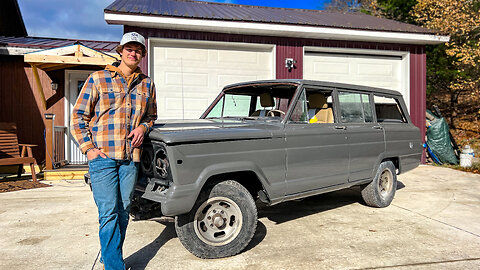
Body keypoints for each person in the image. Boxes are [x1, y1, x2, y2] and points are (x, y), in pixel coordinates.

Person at [71, 32, 157, 270]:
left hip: (131, 158)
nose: (133, 53)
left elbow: (152, 116)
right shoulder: (98, 78)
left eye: (138, 50)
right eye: (129, 48)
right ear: (120, 51)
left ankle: (110, 255)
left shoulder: (147, 84)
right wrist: (88, 149)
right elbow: (78, 117)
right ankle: (113, 265)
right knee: (108, 212)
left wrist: (143, 126)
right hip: (103, 158)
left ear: (142, 55)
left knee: (123, 210)